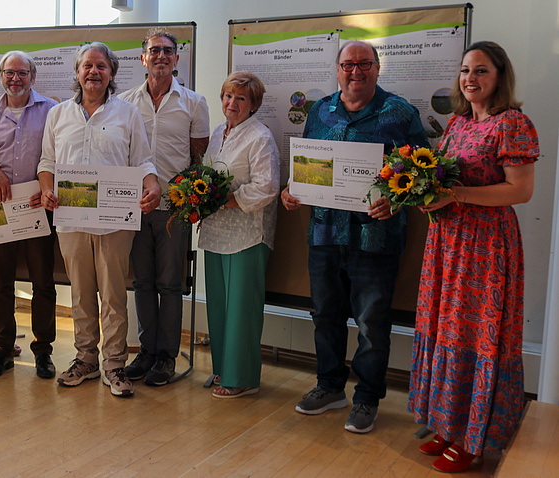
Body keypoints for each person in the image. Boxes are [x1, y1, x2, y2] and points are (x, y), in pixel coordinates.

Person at [281, 41, 428, 432]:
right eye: (348, 64)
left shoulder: (400, 112)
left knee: (371, 322)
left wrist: (397, 201)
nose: (356, 71)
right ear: (337, 68)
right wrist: (292, 189)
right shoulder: (320, 110)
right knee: (325, 314)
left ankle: (366, 398)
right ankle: (330, 386)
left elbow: (422, 173)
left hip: (375, 236)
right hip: (326, 232)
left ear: (377, 68)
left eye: (364, 64)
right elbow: (309, 162)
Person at [408, 41, 538, 473]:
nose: (470, 79)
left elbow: (520, 190)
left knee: (474, 336)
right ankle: (447, 425)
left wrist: (454, 194)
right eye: (465, 71)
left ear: (500, 76)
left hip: (485, 248)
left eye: (481, 71)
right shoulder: (458, 123)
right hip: (447, 243)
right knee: (445, 328)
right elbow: (440, 178)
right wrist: (427, 198)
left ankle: (474, 438)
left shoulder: (512, 123)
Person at [38, 42, 161, 397]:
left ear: (112, 73)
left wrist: (152, 187)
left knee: (112, 294)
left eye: (101, 66)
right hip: (71, 219)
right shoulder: (58, 115)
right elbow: (47, 164)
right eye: (87, 66)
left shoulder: (128, 114)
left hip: (114, 220)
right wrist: (47, 190)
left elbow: (143, 163)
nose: (94, 72)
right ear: (77, 73)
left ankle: (114, 364)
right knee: (80, 294)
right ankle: (86, 360)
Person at [118, 29, 210, 387]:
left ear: (176, 58)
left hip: (174, 209)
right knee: (142, 283)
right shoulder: (125, 103)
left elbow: (198, 156)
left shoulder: (193, 103)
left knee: (170, 284)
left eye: (167, 51)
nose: (160, 56)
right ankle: (145, 352)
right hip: (135, 206)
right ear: (143, 58)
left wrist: (191, 201)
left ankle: (167, 356)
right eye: (153, 50)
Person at [0, 51, 59, 379]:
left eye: (22, 73)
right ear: (1, 76)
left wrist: (49, 185)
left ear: (33, 77)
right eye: (9, 73)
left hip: (37, 208)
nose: (15, 79)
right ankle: (2, 348)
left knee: (43, 282)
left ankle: (43, 350)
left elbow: (63, 156)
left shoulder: (52, 111)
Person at [199, 71, 279, 399]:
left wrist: (229, 200)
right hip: (217, 231)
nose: (232, 103)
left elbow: (268, 186)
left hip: (248, 232)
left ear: (252, 104)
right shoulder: (219, 132)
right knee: (218, 306)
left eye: (241, 98)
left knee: (241, 308)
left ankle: (241, 376)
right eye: (228, 97)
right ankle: (222, 369)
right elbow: (206, 172)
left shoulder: (260, 136)